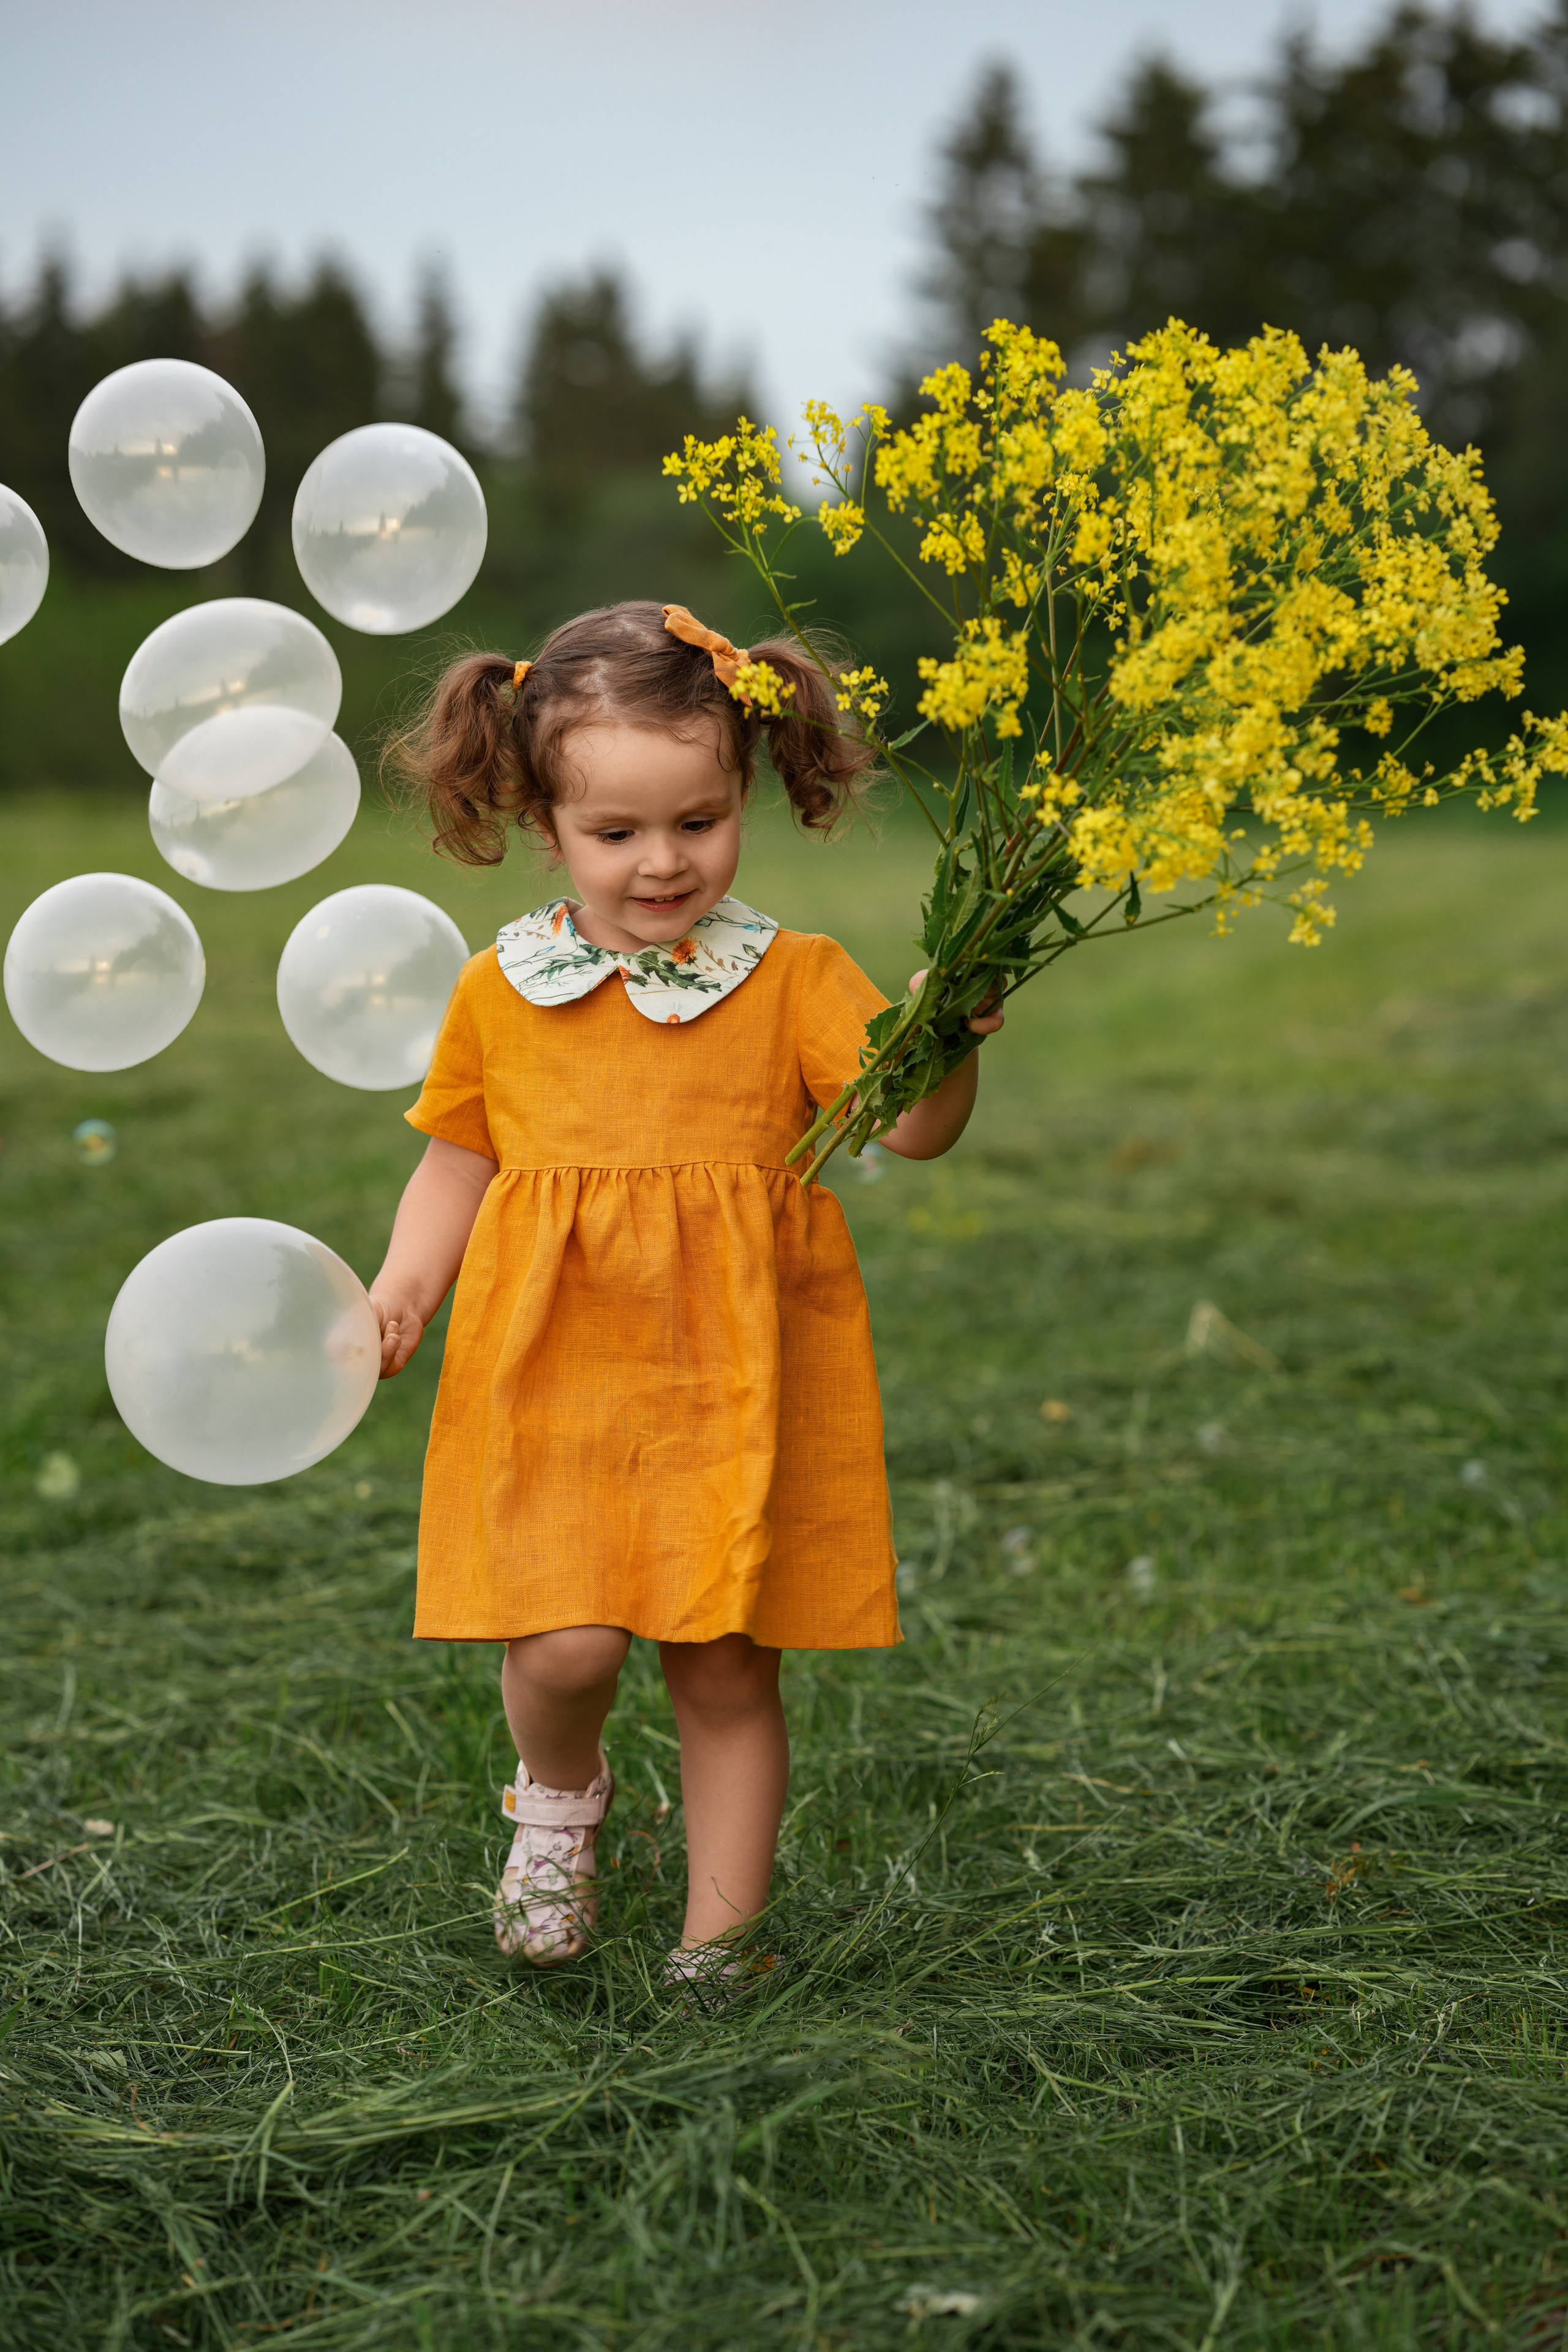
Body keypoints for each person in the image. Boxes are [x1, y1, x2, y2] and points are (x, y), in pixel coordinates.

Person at [373, 598, 1002, 1981]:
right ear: (546, 826)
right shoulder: (500, 990)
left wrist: (943, 1040)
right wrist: (404, 1289)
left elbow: (912, 1128)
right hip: (552, 1367)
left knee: (723, 1663)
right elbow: (456, 1161)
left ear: (743, 800)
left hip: (729, 1373)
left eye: (697, 822)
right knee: (563, 1644)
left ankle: (718, 1949)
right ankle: (555, 1802)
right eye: (616, 834)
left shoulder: (793, 981)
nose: (661, 863)